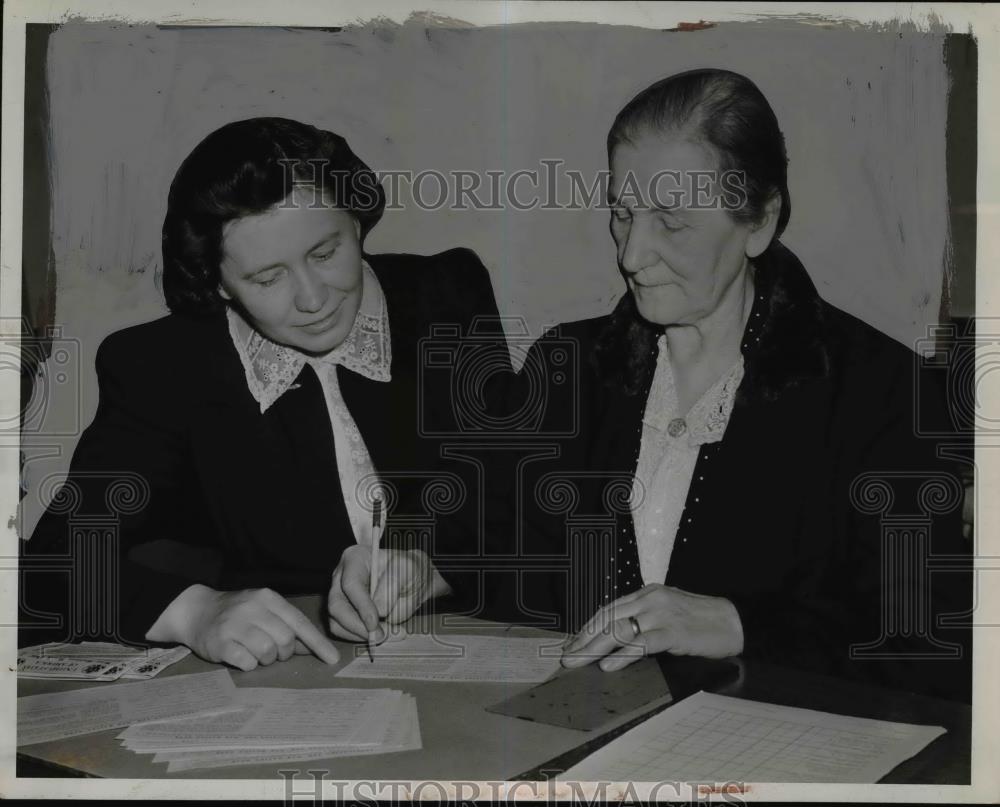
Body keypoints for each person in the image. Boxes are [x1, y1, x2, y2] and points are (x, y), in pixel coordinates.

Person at [333, 69, 972, 701]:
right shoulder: (570, 365)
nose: (632, 255)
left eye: (671, 221)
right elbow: (496, 548)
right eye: (622, 214)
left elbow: (933, 650)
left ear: (760, 220)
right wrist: (420, 570)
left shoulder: (881, 393)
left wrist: (739, 624)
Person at [19, 117, 508, 672]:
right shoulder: (163, 367)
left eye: (326, 253)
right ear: (218, 282)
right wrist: (195, 612)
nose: (313, 298)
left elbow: (518, 500)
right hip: (287, 676)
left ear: (357, 220)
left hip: (471, 650)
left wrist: (433, 566)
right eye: (267, 278)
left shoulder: (446, 296)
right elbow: (52, 563)